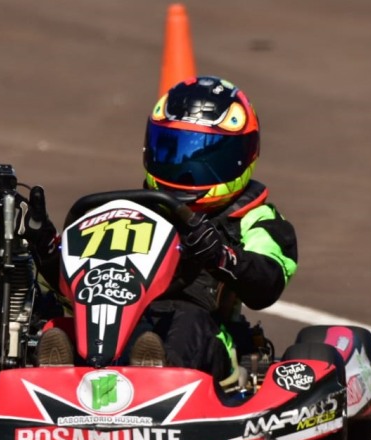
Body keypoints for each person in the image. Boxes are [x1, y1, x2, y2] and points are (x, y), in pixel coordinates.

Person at [32, 76, 298, 385]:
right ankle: (56, 376)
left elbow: (267, 281)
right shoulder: (131, 213)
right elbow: (82, 282)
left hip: (207, 334)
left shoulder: (255, 218)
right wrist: (48, 254)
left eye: (203, 158)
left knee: (185, 322)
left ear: (241, 156)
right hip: (121, 320)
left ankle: (153, 378)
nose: (185, 169)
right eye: (174, 152)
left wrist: (221, 255)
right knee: (61, 321)